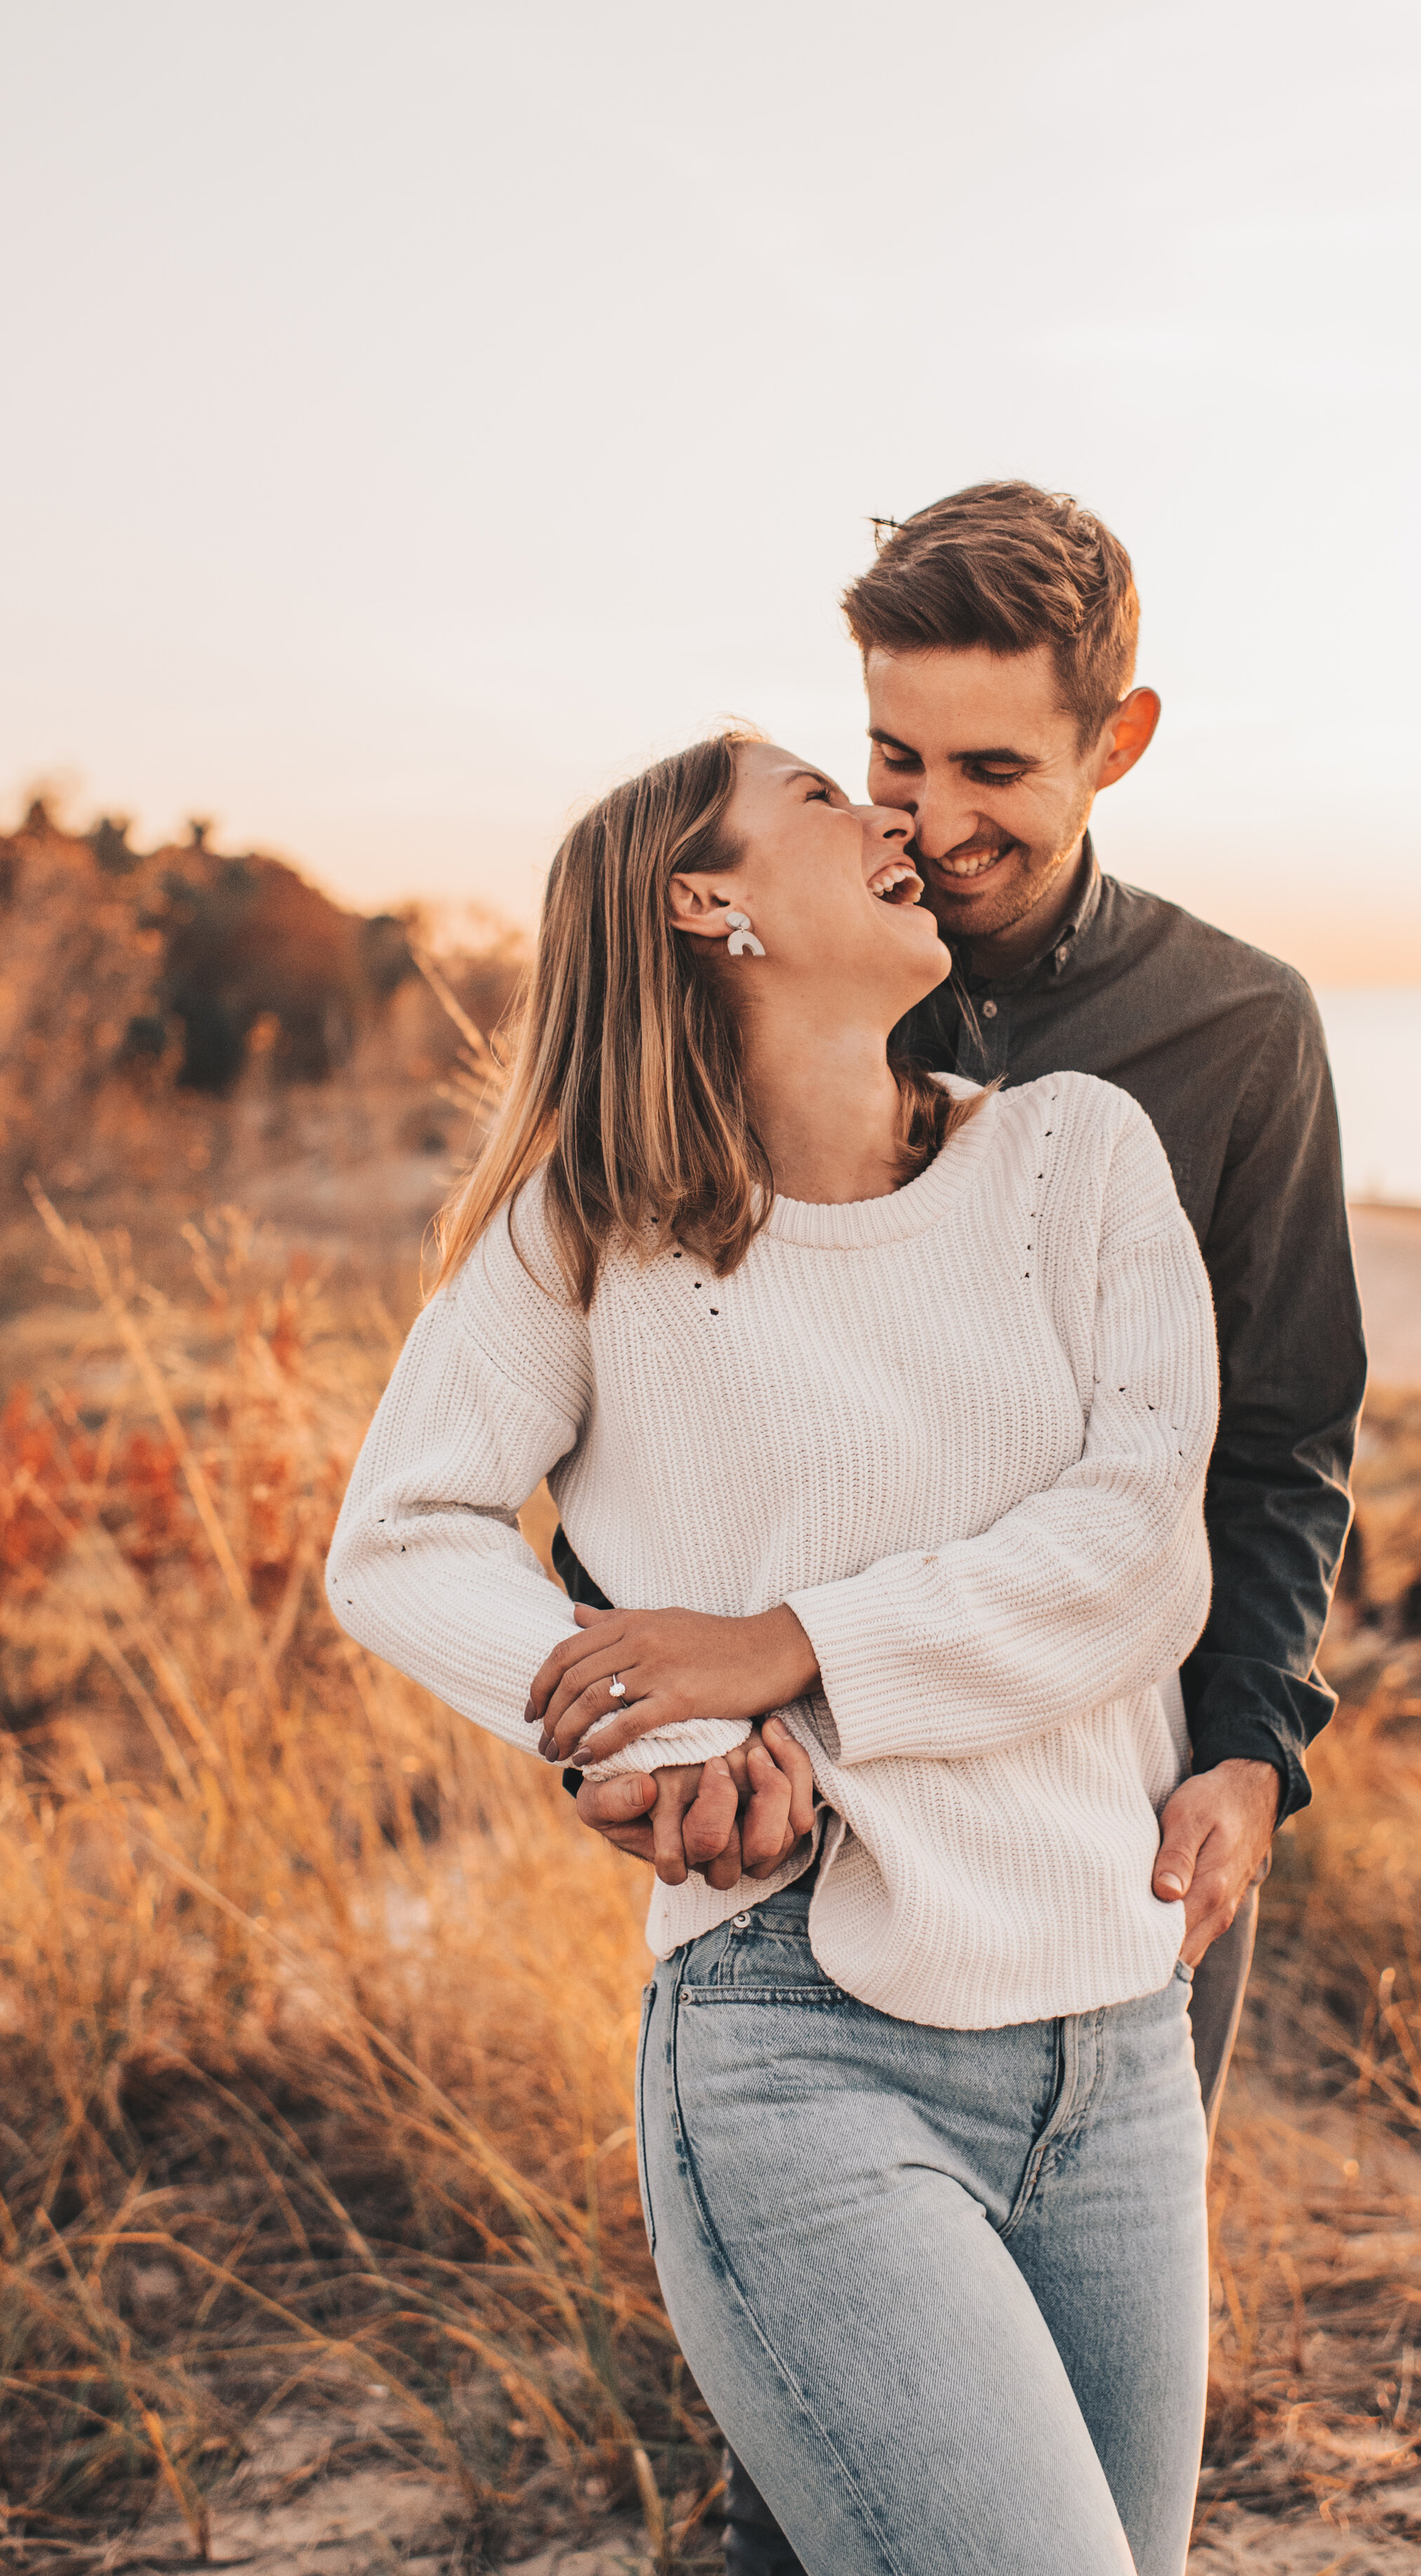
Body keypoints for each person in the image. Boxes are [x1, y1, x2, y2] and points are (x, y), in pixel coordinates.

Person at [557, 484, 1367, 2576]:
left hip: (1122, 1830)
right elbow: (602, 1414)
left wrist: (1255, 1747)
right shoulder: (765, 981)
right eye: (891, 756)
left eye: (994, 767)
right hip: (800, 1839)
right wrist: (648, 1741)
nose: (926, 817)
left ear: (1123, 739)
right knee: (829, 2460)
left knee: (1091, 2501)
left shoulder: (1235, 1039)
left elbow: (1274, 1446)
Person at [328, 723, 1224, 2573]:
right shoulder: (587, 1223)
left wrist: (781, 1652)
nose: (890, 816)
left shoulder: (1073, 1158)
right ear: (703, 900)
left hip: (1119, 2045)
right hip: (797, 2046)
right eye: (824, 795)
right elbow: (401, 1535)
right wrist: (648, 1752)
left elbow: (1139, 1549)